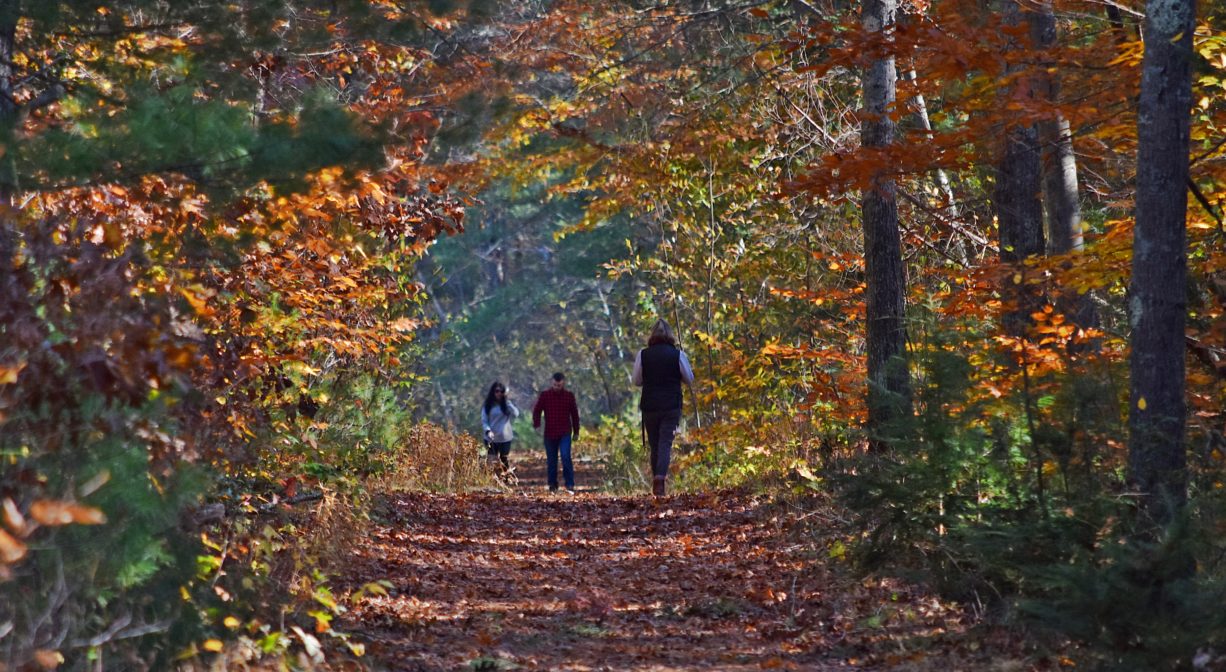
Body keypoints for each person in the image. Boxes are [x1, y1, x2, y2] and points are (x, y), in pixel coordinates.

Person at [633, 319, 695, 497]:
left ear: (652, 335)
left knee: (655, 444)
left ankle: (657, 481)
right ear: (670, 335)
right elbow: (689, 379)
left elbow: (636, 380)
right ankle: (660, 479)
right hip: (671, 404)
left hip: (650, 405)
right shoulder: (677, 355)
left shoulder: (643, 354)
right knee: (665, 442)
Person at [532, 372, 580, 494]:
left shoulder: (569, 396)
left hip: (565, 432)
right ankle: (552, 484)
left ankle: (570, 484)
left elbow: (574, 415)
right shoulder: (545, 396)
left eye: (559, 385)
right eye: (554, 385)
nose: (557, 387)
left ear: (563, 383)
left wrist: (576, 431)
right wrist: (537, 424)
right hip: (550, 433)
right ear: (551, 383)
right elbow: (537, 411)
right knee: (552, 460)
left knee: (565, 456)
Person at [481, 381, 519, 473]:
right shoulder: (487, 406)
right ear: (493, 392)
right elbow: (484, 421)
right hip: (491, 438)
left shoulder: (506, 405)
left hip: (505, 438)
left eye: (501, 391)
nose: (499, 393)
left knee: (504, 459)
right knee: (492, 461)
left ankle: (505, 478)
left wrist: (507, 402)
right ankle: (492, 480)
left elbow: (516, 414)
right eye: (497, 391)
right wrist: (488, 431)